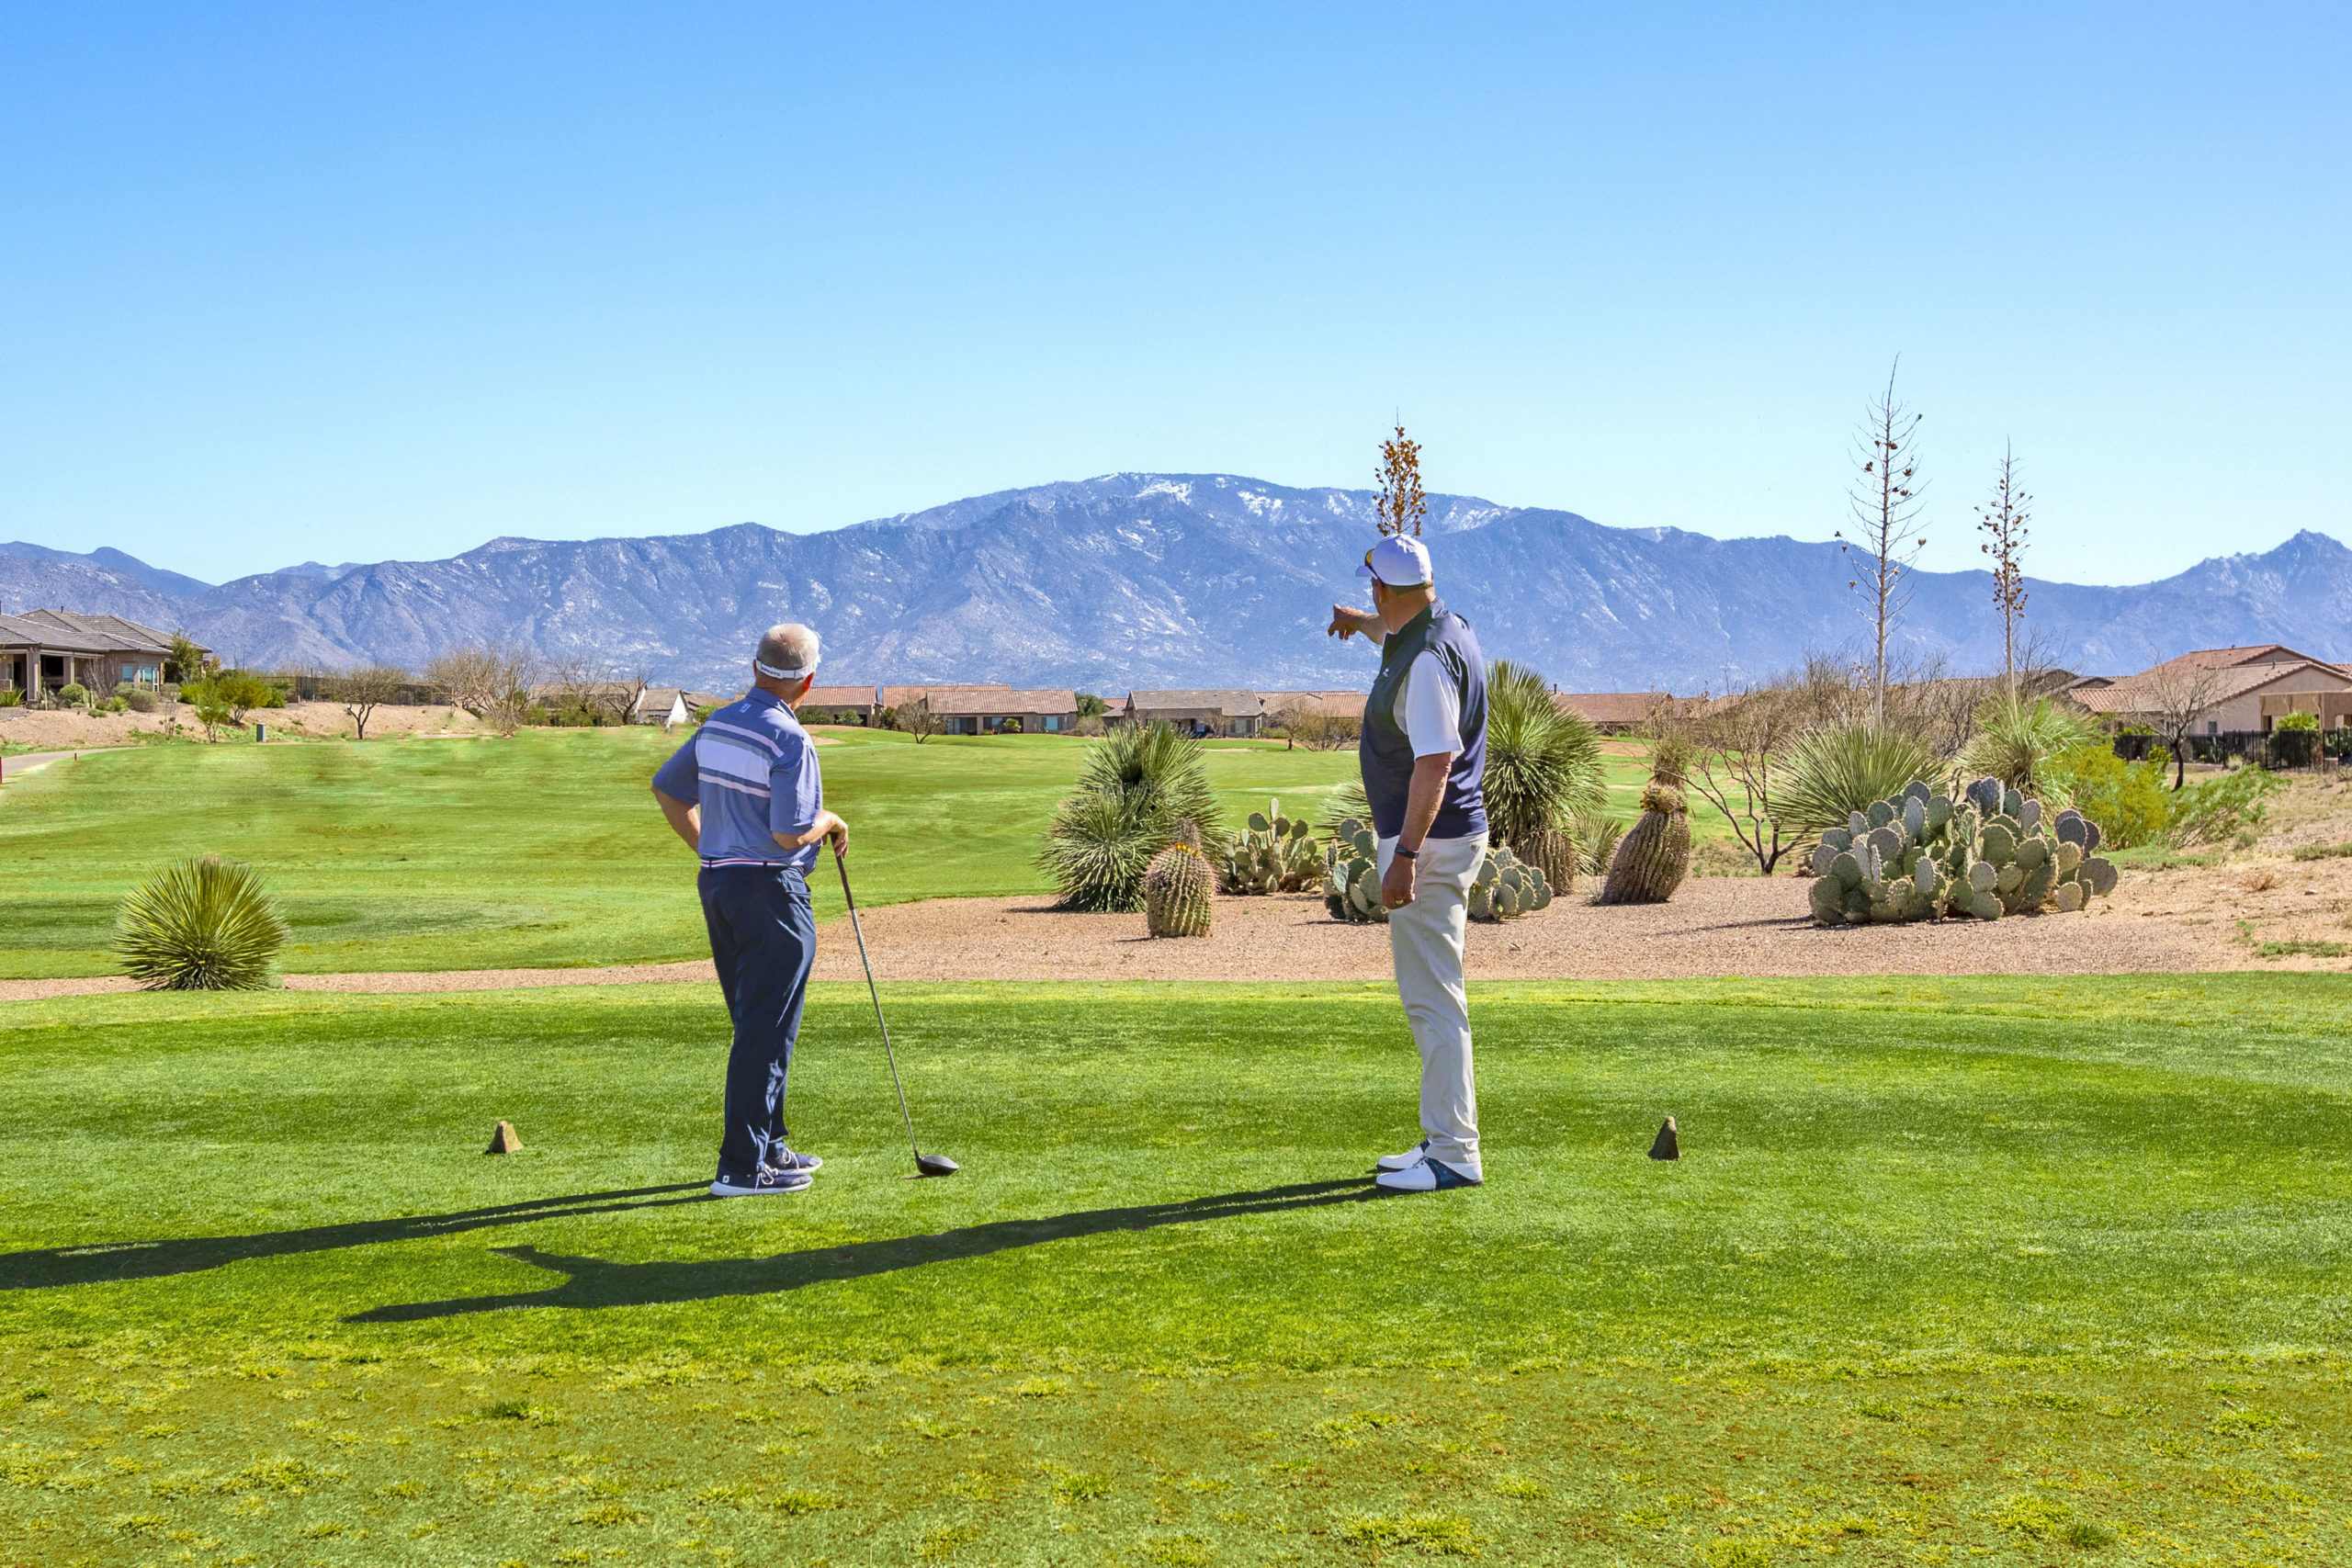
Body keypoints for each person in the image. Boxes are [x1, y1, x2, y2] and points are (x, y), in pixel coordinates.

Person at [651, 623, 848, 1198]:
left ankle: (770, 1145)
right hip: (772, 897)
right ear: (808, 681)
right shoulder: (791, 740)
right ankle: (740, 1169)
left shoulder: (719, 723)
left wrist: (715, 851)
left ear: (755, 667)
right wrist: (832, 822)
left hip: (720, 888)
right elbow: (790, 835)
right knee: (765, 1029)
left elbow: (669, 790)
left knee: (759, 1024)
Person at [1326, 535, 1490, 1193]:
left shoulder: (1424, 661)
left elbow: (1435, 760)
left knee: (1433, 1001)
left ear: (1383, 588)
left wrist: (1408, 859)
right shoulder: (1441, 627)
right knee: (1431, 997)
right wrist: (1357, 622)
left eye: (1372, 593)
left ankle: (1454, 1153)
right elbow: (1388, 632)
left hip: (1431, 843)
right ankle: (1440, 1139)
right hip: (1446, 837)